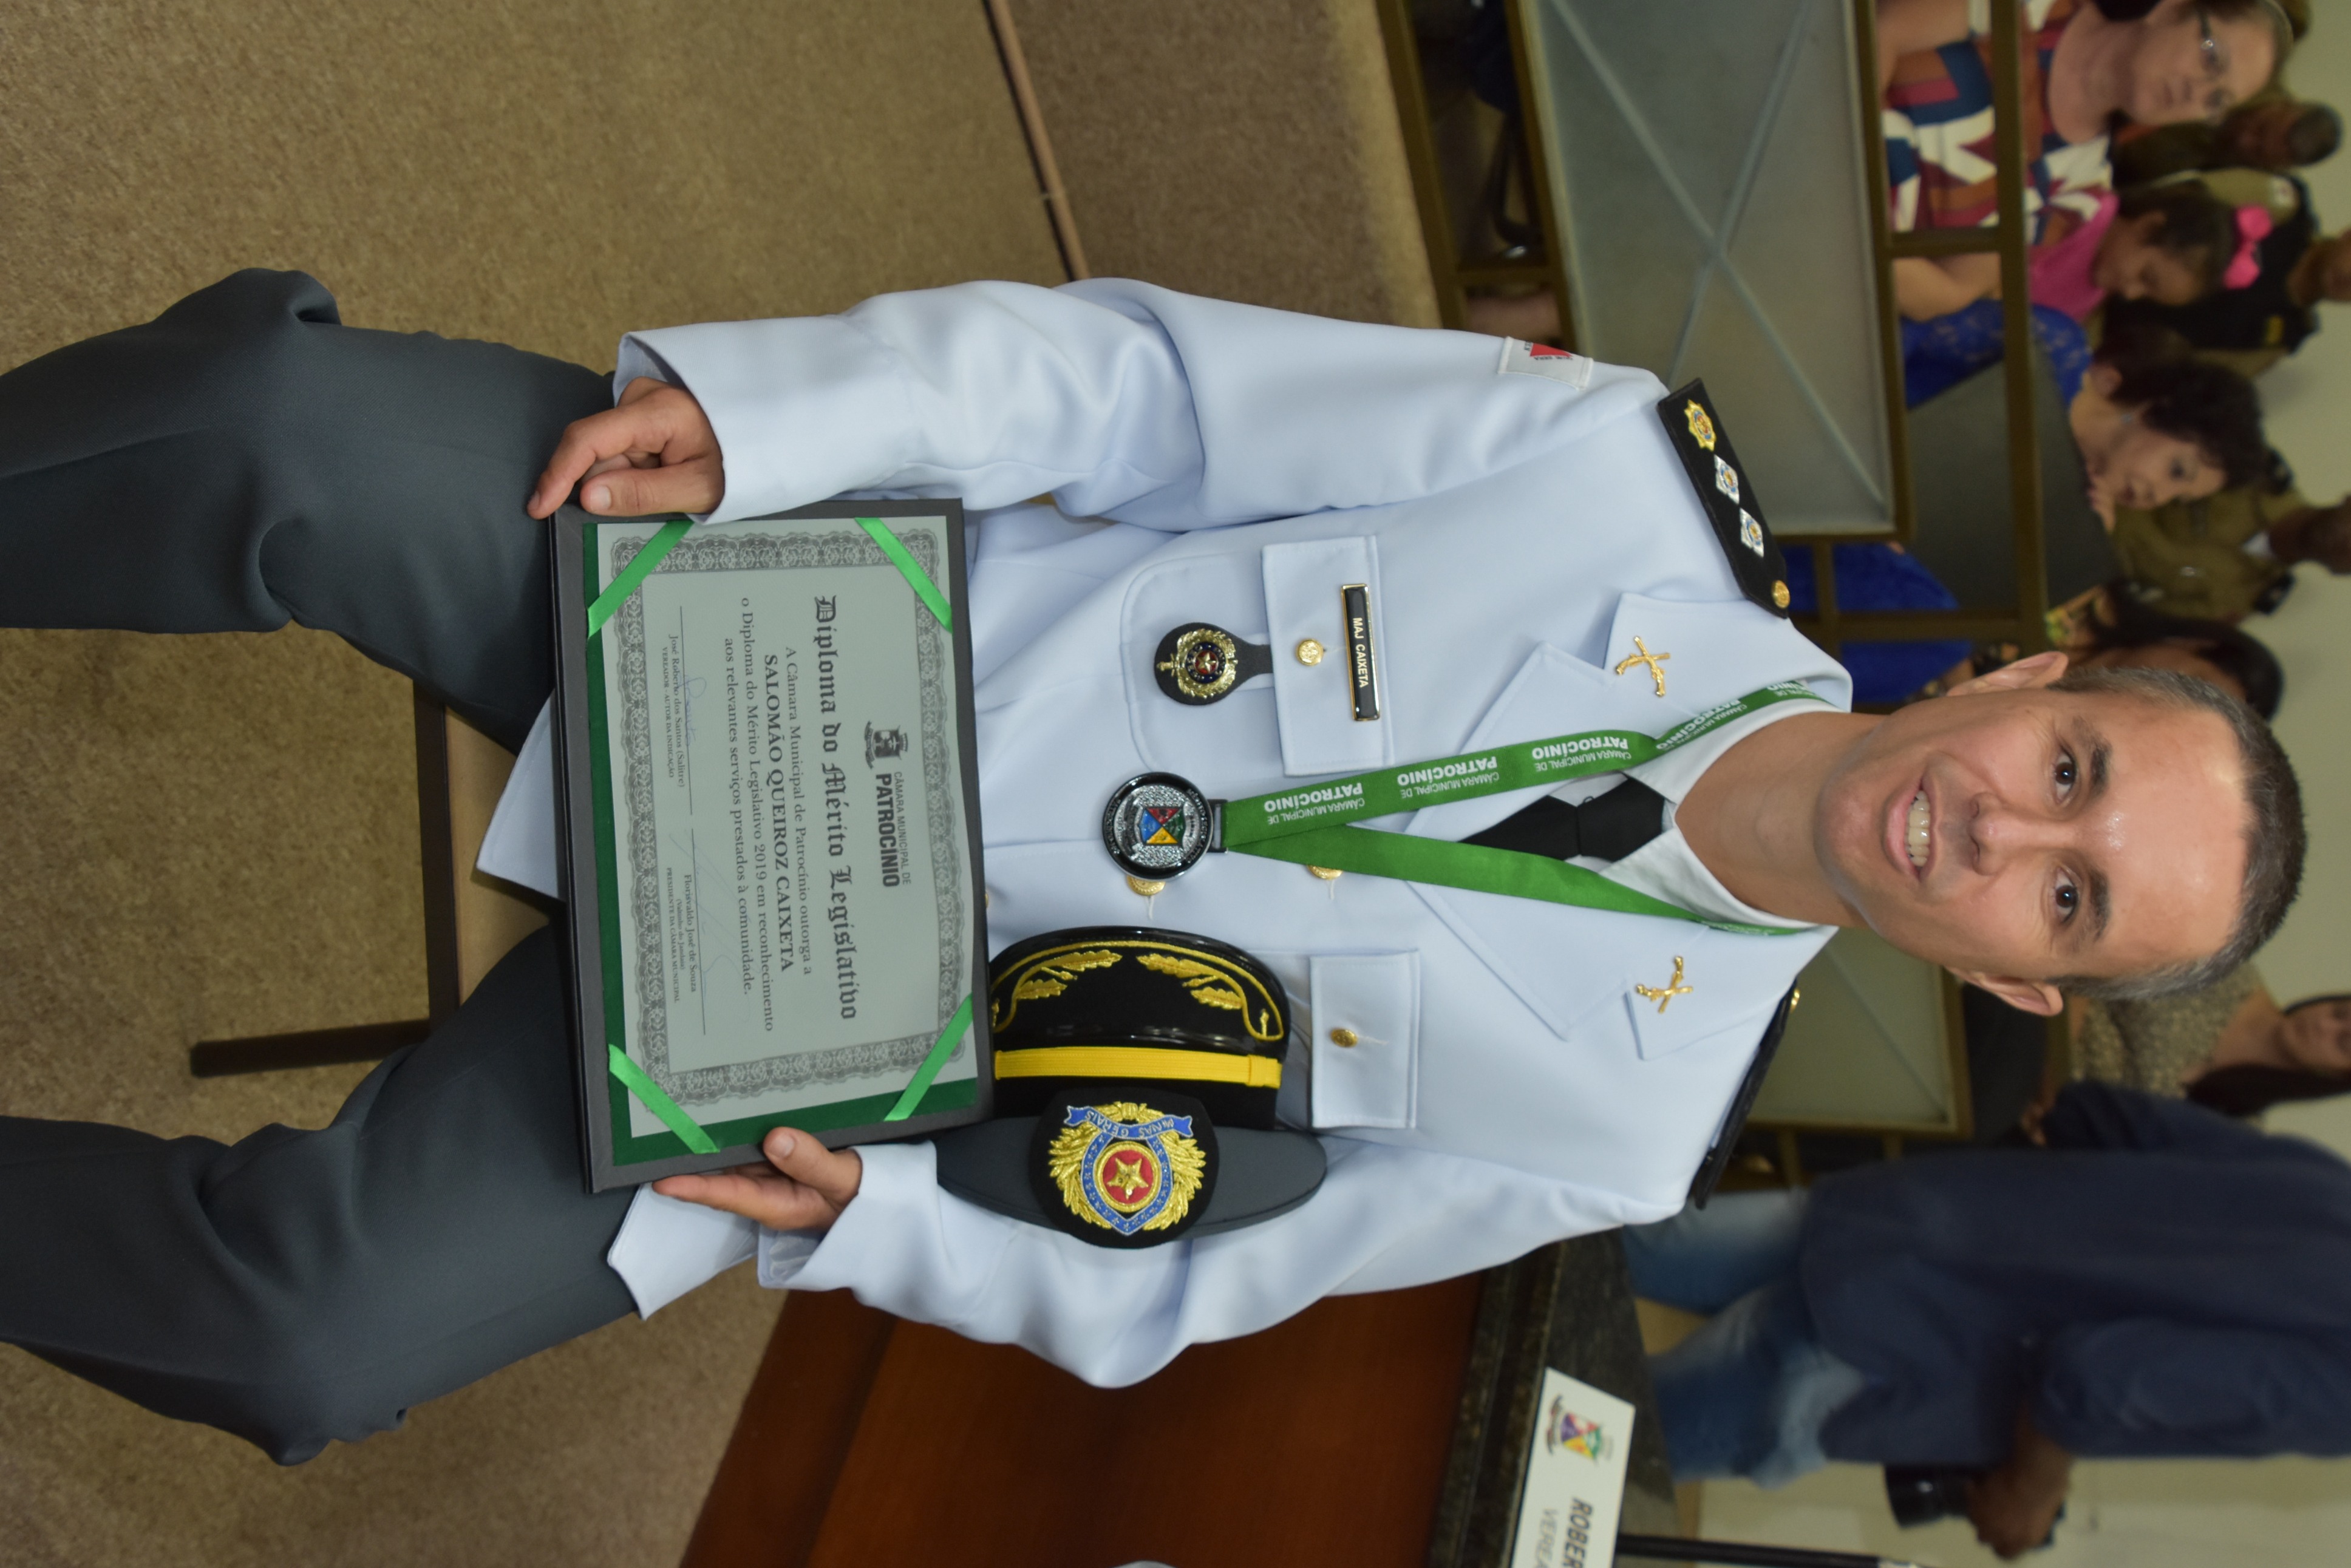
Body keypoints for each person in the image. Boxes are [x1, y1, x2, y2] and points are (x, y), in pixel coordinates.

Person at [0, 270, 2303, 1465]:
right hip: (774, 613)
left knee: (305, 1333)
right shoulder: (1609, 474)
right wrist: (790, 418)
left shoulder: (1624, 1123)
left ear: (2018, 988)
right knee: (275, 435)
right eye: (2071, 765)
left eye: (2069, 896)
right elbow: (1139, 392)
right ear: (2028, 672)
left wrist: (880, 1220)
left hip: (788, 1048)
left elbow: (1192, 1276)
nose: (2004, 829)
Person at [1627, 1081, 2351, 1560]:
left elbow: (2094, 1114)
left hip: (1888, 1218)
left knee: (1586, 1247)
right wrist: (2028, 1496)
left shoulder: (2333, 1191)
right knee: (1592, 1438)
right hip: (1890, 1356)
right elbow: (2093, 1379)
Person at [1878, 0, 2291, 249]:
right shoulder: (2036, 8)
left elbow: (1955, 287)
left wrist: (1870, 241)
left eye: (2217, 101)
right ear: (2172, 8)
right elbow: (1882, 32)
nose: (2196, 92)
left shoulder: (2083, 187)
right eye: (2212, 58)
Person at [1894, 169, 2239, 321]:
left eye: (2147, 296)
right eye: (2146, 277)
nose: (2131, 293)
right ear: (2148, 226)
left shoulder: (2089, 299)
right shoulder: (2081, 209)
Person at [2105, 174, 2351, 373]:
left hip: (2098, 335)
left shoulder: (2284, 337)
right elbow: (2169, 200)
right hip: (2107, 252)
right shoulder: (2283, 206)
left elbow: (2186, 377)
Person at [2109, 480, 2351, 619]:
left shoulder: (2243, 600)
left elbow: (2132, 614)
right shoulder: (2250, 475)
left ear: (2341, 571)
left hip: (2095, 578)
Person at [2111, 93, 2341, 185]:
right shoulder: (2237, 77)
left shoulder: (2247, 187)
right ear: (2282, 103)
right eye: (2260, 129)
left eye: (2258, 152)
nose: (2244, 141)